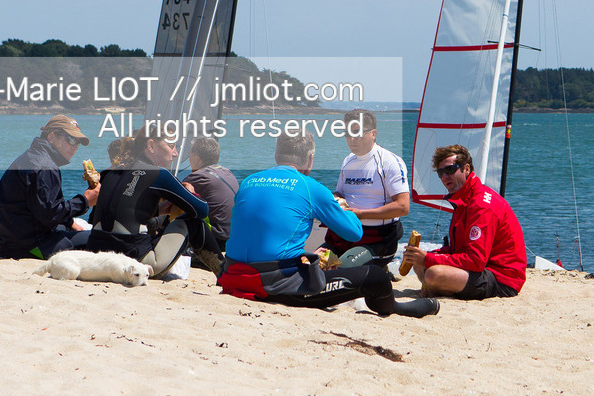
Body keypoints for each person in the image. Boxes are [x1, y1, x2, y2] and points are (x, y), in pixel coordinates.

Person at [217, 132, 439, 317]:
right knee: (376, 276)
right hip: (274, 285)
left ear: (276, 155)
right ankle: (396, 308)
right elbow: (354, 232)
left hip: (231, 276)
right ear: (311, 159)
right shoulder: (311, 187)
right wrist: (341, 206)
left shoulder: (248, 181)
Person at [86, 129, 213, 278]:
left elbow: (119, 212)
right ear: (151, 146)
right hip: (135, 263)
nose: (175, 153)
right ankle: (223, 274)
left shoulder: (109, 173)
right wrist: (191, 192)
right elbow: (201, 210)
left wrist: (158, 210)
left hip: (97, 258)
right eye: (172, 146)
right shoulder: (159, 174)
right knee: (194, 223)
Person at [405, 144, 526, 300]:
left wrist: (428, 258)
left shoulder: (481, 204)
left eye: (449, 170)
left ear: (466, 168)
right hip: (481, 270)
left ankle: (438, 288)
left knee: (434, 274)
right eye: (440, 173)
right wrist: (425, 255)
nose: (444, 177)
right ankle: (439, 288)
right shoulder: (463, 200)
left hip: (502, 280)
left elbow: (475, 261)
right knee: (418, 262)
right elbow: (459, 250)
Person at [0, 114, 99, 259]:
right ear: (52, 137)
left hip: (8, 241)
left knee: (69, 228)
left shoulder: (32, 157)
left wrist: (69, 222)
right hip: (28, 246)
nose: (75, 147)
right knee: (98, 238)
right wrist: (85, 201)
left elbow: (38, 207)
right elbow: (49, 214)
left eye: (77, 142)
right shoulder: (45, 166)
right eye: (71, 139)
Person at [324, 108, 409, 261]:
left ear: (373, 133)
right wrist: (331, 200)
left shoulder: (389, 162)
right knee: (312, 265)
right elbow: (340, 194)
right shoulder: (348, 161)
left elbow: (403, 207)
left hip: (378, 238)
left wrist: (362, 214)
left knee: (340, 272)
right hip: (347, 232)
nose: (352, 139)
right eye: (347, 134)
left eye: (357, 133)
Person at [180, 134, 238, 252]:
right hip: (234, 239)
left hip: (216, 241)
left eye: (190, 156)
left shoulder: (198, 177)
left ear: (196, 158)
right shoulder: (227, 172)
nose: (189, 160)